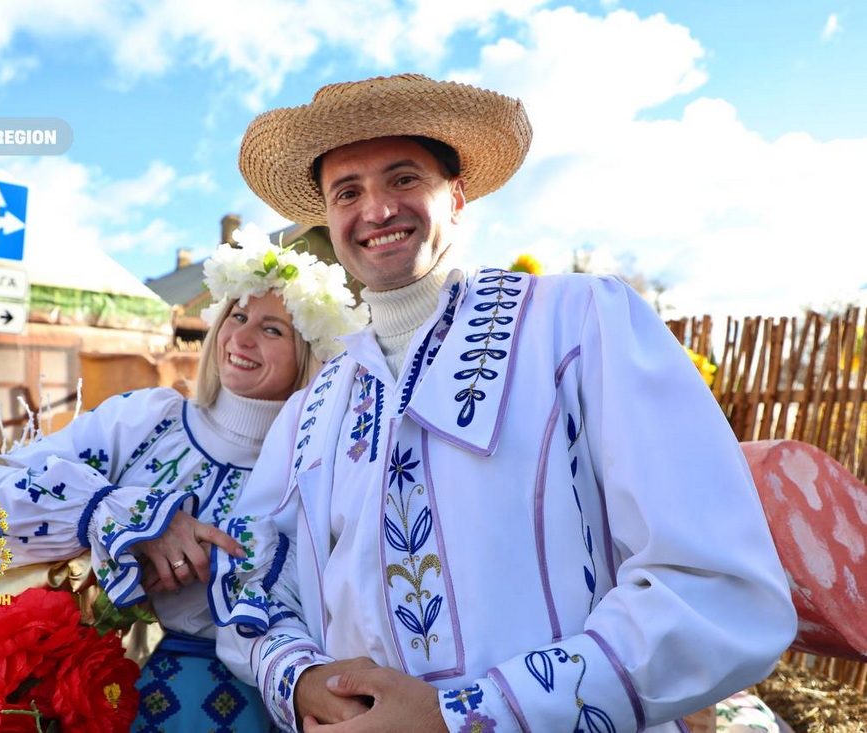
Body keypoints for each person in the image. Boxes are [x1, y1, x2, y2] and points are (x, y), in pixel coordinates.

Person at [215, 73, 798, 732]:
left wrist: (464, 715)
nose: (376, 210)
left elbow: (718, 589)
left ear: (457, 198)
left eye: (404, 179)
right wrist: (306, 679)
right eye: (348, 192)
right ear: (328, 217)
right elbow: (252, 584)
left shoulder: (581, 327)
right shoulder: (311, 409)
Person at [0, 225, 367, 732]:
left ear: (310, 354)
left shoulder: (322, 468)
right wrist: (111, 515)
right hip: (92, 696)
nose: (240, 336)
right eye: (236, 316)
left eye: (272, 329)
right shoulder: (144, 421)